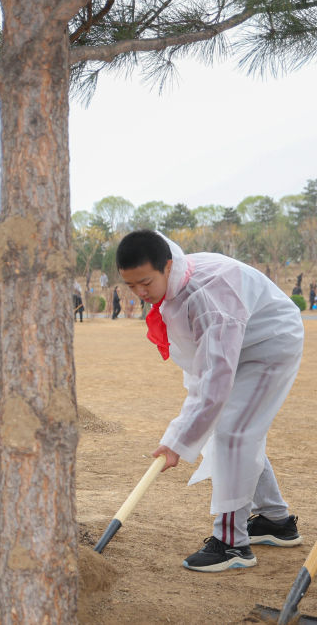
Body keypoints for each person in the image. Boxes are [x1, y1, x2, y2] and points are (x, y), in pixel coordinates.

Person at [117, 229, 303, 573]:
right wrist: (183, 433)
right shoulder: (176, 288)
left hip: (270, 343)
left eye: (145, 283)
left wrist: (178, 441)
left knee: (234, 432)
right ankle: (277, 521)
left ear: (167, 266)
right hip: (242, 341)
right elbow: (202, 372)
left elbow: (214, 382)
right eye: (131, 286)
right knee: (236, 429)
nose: (140, 294)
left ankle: (233, 544)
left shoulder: (208, 298)